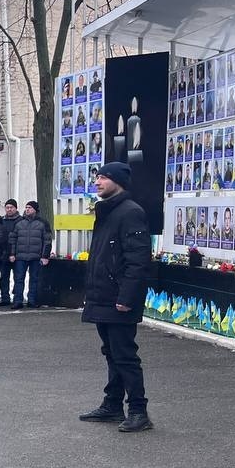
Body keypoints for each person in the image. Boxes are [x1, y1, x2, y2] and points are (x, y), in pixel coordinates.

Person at [79, 162, 153, 432]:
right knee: (111, 353)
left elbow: (138, 261)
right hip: (102, 296)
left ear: (118, 181)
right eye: (96, 177)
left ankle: (138, 411)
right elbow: (102, 258)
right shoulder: (106, 211)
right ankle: (112, 405)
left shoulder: (131, 213)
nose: (97, 182)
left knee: (125, 355)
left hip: (119, 300)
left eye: (103, 177)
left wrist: (126, 297)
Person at [8, 200, 52, 310]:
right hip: (20, 257)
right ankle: (18, 301)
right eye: (26, 207)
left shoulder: (43, 223)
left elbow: (47, 241)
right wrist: (12, 253)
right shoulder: (19, 223)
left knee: (34, 279)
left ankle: (32, 300)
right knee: (18, 279)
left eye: (30, 208)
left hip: (36, 257)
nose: (27, 209)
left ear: (35, 210)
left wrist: (45, 256)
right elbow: (12, 239)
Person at [0, 199, 20, 306]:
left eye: (11, 207)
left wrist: (14, 253)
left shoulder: (21, 220)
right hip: (3, 253)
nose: (9, 209)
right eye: (7, 207)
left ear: (16, 208)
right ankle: (5, 298)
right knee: (3, 277)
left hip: (17, 254)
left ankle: (17, 298)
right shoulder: (1, 220)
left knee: (18, 277)